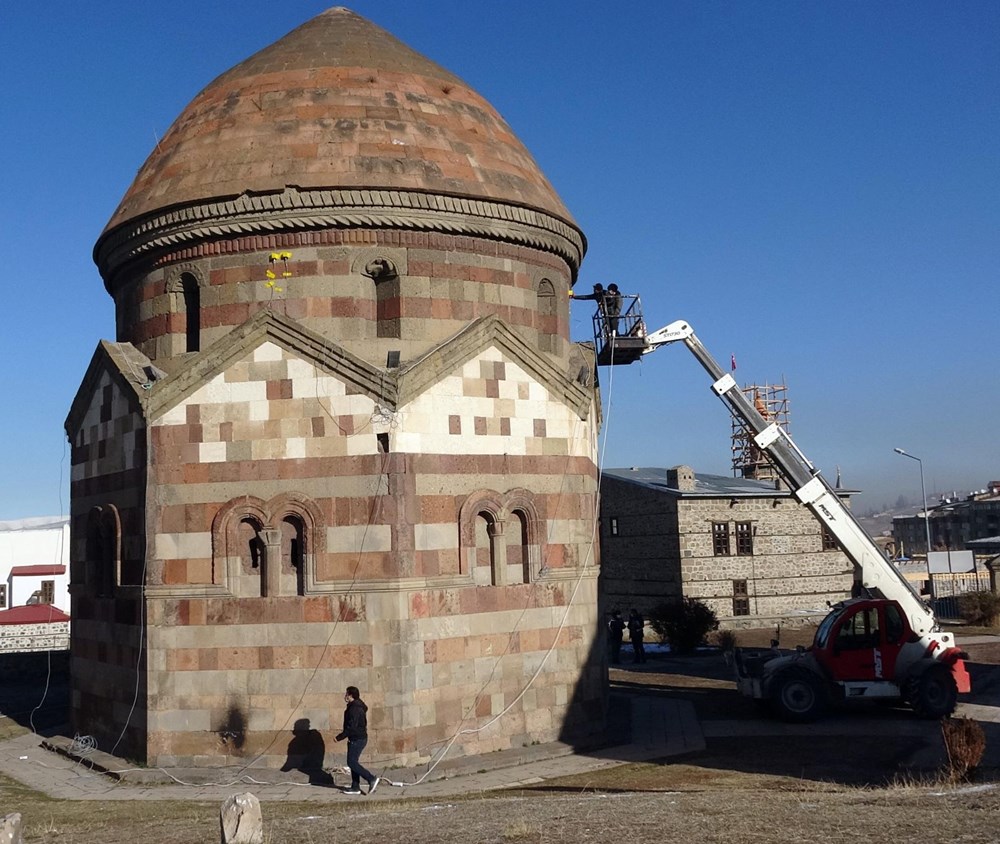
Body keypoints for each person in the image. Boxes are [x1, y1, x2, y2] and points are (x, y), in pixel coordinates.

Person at [335, 686, 380, 795]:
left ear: (350, 695)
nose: (345, 696)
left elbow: (352, 727)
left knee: (351, 762)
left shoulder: (355, 708)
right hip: (357, 738)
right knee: (353, 762)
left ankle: (371, 779)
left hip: (357, 738)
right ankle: (355, 787)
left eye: (346, 694)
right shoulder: (357, 705)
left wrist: (339, 737)